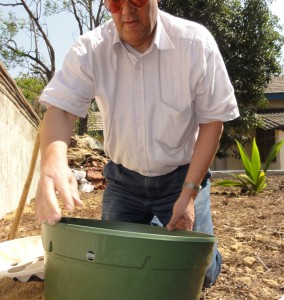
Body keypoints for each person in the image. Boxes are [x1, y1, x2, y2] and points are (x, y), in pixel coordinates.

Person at [35, 0, 240, 288]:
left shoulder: (195, 43)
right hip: (124, 181)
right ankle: (155, 233)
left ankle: (198, 249)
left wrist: (190, 193)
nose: (127, 12)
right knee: (113, 266)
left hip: (181, 177)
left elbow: (212, 121)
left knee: (200, 275)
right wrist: (52, 163)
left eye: (137, 1)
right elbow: (62, 109)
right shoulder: (90, 48)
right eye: (116, 3)